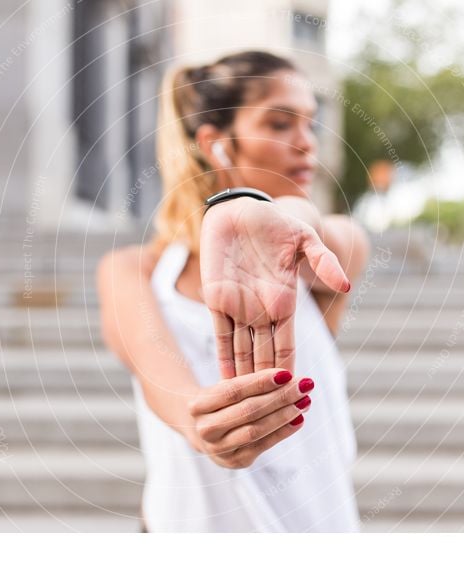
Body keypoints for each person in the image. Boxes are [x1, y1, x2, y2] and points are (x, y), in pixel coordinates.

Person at [96, 50, 370, 532]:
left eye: (311, 122)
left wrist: (278, 217)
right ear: (216, 144)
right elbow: (167, 384)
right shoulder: (132, 271)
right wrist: (206, 426)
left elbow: (327, 231)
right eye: (281, 124)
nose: (307, 142)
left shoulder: (322, 248)